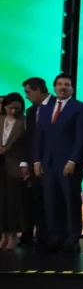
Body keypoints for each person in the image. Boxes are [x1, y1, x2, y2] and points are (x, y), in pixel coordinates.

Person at [33, 73, 83, 254]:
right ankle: (55, 238)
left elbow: (82, 137)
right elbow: (39, 137)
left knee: (70, 202)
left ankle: (72, 240)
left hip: (69, 165)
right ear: (54, 87)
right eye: (59, 84)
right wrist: (37, 160)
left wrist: (73, 160)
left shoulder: (80, 107)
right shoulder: (46, 109)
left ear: (72, 88)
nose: (63, 87)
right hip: (48, 164)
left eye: (67, 84)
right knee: (51, 202)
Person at [20, 78, 50, 248]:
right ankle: (40, 238)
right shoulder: (31, 112)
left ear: (37, 90)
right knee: (37, 201)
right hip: (34, 164)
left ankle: (53, 238)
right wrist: (26, 162)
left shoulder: (56, 105)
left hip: (54, 163)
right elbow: (30, 139)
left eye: (28, 91)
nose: (26, 96)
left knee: (53, 203)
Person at [0, 93, 29, 250]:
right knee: (1, 202)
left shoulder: (24, 121)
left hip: (15, 165)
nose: (12, 111)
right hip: (1, 165)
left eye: (16, 108)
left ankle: (13, 236)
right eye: (10, 108)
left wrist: (25, 164)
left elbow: (27, 144)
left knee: (13, 202)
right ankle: (3, 235)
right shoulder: (0, 119)